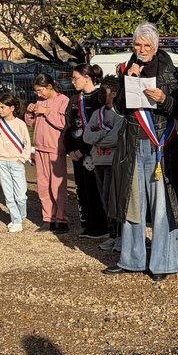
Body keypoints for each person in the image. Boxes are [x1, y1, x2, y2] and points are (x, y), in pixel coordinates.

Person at [103, 22, 178, 282]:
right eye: (137, 44)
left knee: (162, 206)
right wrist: (129, 79)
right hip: (132, 144)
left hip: (160, 143)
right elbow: (117, 106)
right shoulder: (129, 67)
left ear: (156, 45)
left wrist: (164, 99)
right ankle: (132, 259)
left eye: (146, 45)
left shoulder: (169, 69)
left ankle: (163, 263)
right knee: (132, 204)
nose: (141, 49)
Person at [25, 74, 71, 233]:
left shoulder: (63, 100)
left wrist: (46, 111)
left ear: (49, 87)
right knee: (43, 185)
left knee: (57, 186)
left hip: (55, 149)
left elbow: (63, 123)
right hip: (40, 148)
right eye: (37, 91)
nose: (39, 94)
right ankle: (48, 219)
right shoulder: (40, 101)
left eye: (40, 90)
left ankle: (61, 220)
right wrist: (30, 113)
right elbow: (31, 123)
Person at [66, 64, 108, 239]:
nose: (73, 81)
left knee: (95, 189)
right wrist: (71, 148)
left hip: (93, 151)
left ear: (87, 77)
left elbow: (102, 126)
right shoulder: (75, 99)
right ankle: (88, 224)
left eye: (75, 78)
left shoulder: (99, 97)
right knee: (82, 189)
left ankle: (101, 227)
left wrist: (84, 149)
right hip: (77, 153)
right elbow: (67, 126)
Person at [83, 76, 124, 251]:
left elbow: (115, 138)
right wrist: (100, 136)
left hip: (113, 162)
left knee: (112, 198)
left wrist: (97, 136)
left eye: (104, 91)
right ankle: (112, 234)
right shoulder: (97, 114)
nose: (100, 94)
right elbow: (86, 137)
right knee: (104, 199)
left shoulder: (120, 115)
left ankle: (120, 235)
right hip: (99, 161)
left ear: (113, 93)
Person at [0, 93, 33, 233]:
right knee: (8, 194)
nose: (0, 110)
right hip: (2, 162)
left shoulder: (20, 124)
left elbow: (27, 143)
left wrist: (22, 158)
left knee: (20, 195)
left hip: (16, 162)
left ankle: (21, 214)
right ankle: (16, 220)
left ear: (12, 108)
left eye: (3, 107)